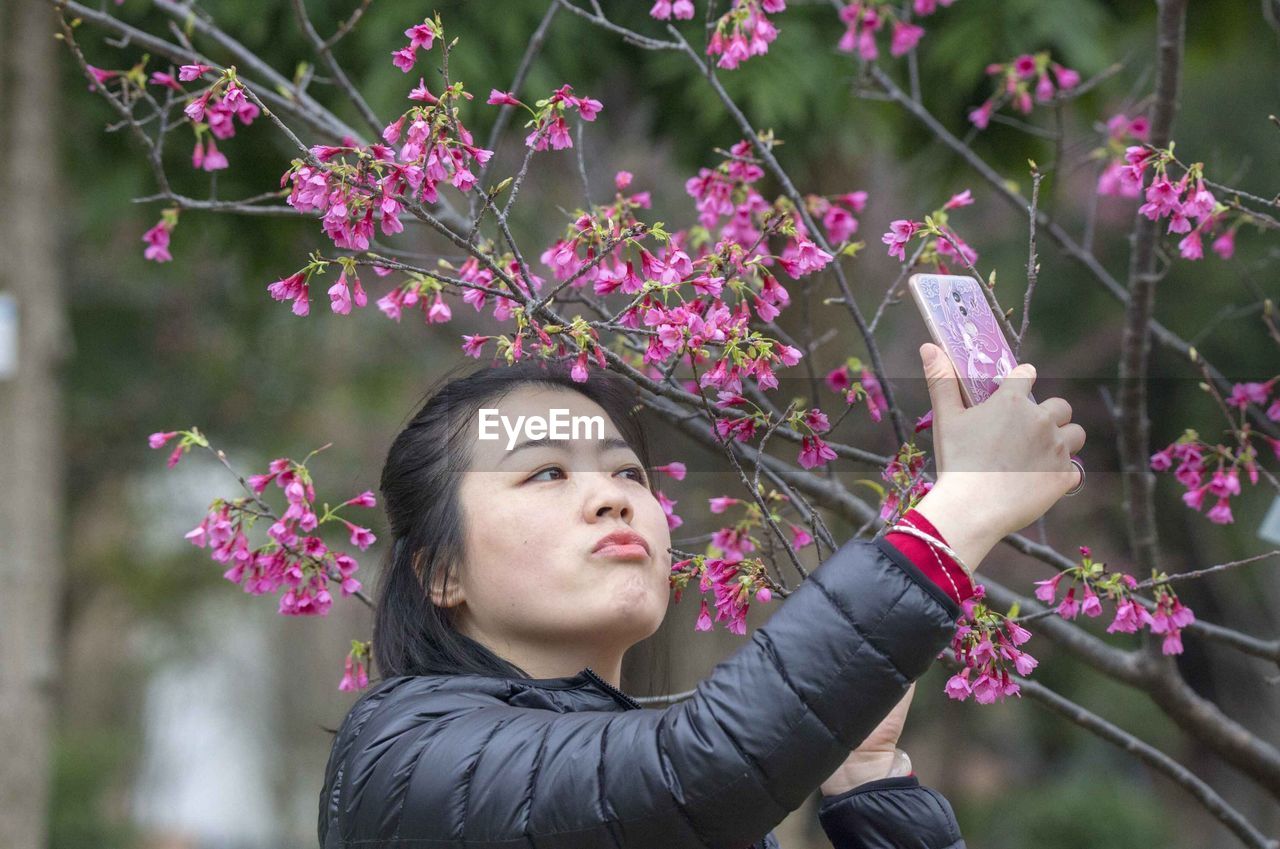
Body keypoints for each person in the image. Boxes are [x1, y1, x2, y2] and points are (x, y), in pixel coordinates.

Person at [317, 341, 1085, 849]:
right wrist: (963, 511)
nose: (611, 499)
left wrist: (865, 777)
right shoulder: (403, 756)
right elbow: (693, 769)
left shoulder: (684, 804)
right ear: (439, 570)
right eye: (546, 472)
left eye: (627, 472)